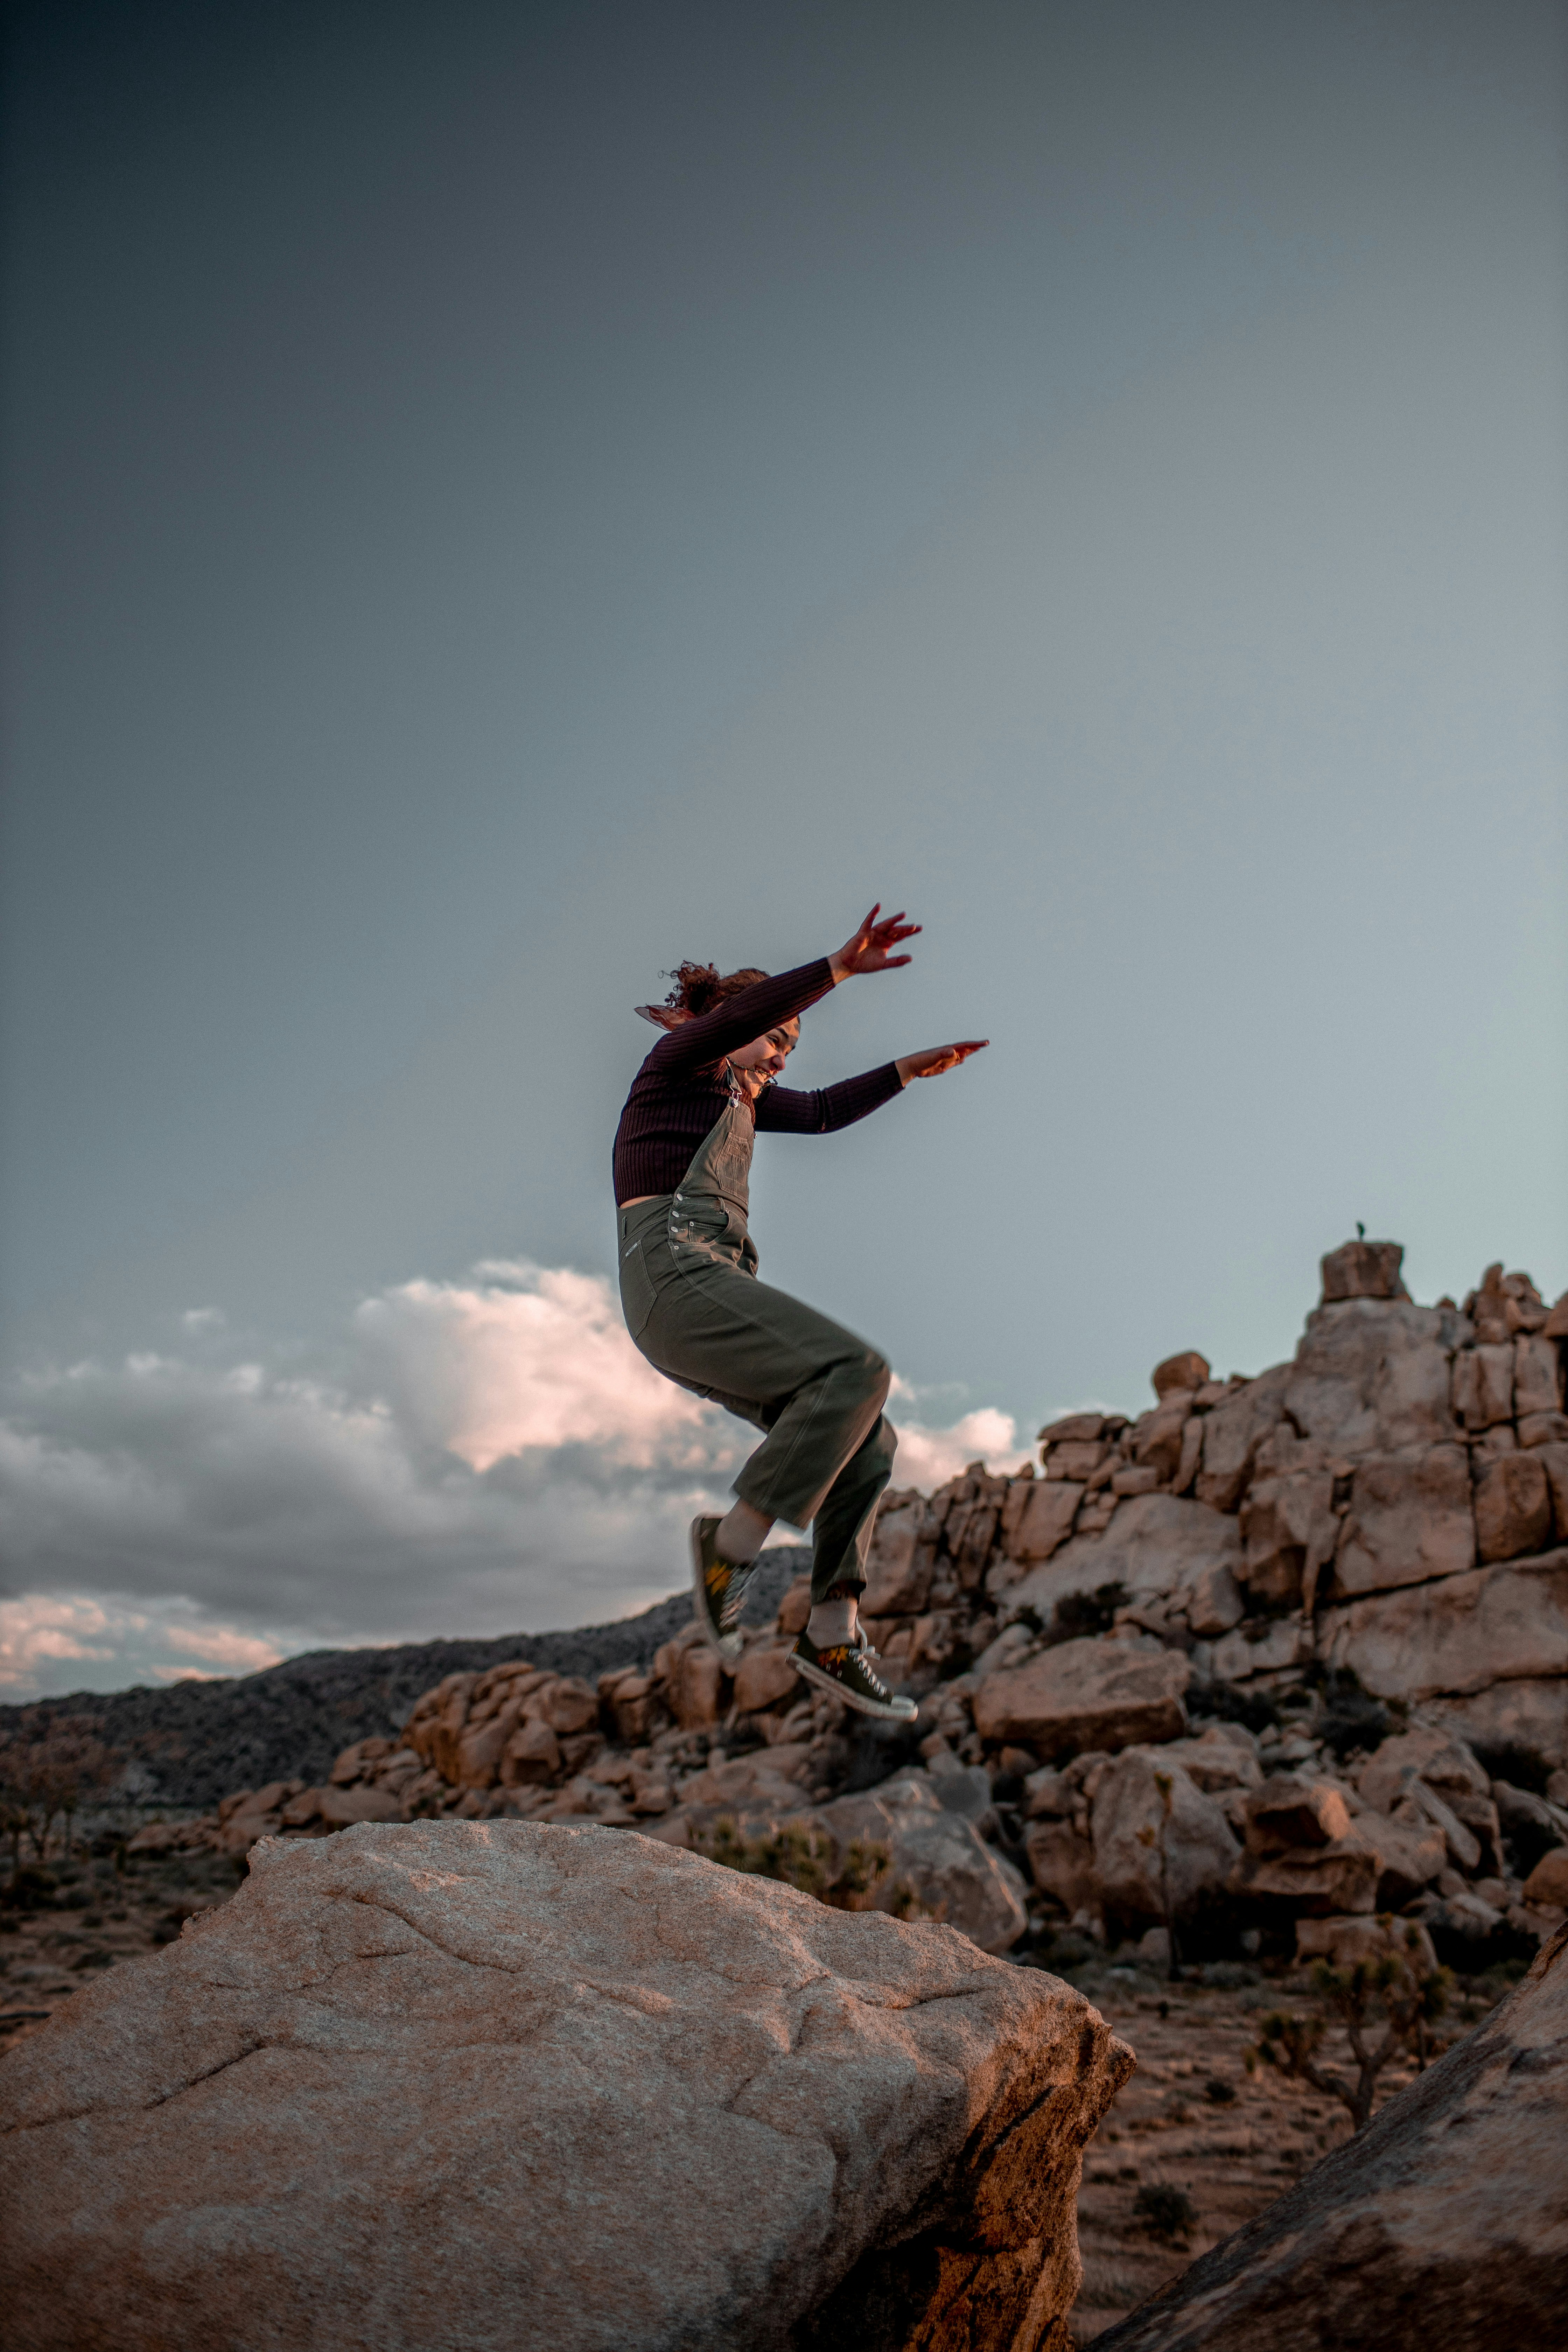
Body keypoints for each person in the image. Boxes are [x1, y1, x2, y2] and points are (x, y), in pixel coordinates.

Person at [613, 903, 986, 1719]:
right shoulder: (676, 1063)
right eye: (776, 1038)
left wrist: (903, 1070)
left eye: (790, 1044)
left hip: (701, 1289)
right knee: (857, 1367)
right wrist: (838, 969)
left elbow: (816, 1112)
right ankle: (733, 1543)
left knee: (867, 1436)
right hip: (673, 1271)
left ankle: (830, 1630)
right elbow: (743, 1017)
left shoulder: (739, 1103)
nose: (782, 1054)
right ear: (724, 1024)